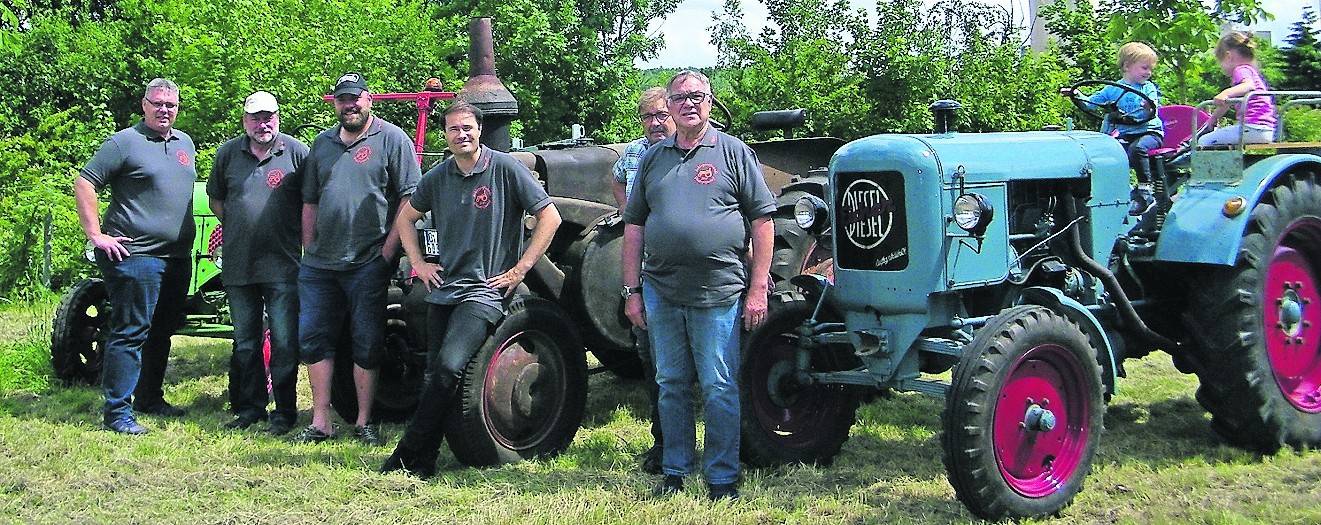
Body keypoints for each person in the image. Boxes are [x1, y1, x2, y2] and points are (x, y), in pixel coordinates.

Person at [380, 101, 562, 477]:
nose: (461, 135)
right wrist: (418, 263)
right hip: (445, 288)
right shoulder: (437, 176)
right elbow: (406, 219)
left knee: (448, 367)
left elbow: (551, 216)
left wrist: (521, 268)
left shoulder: (506, 168)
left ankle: (406, 451)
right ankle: (425, 461)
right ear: (445, 136)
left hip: (484, 290)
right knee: (434, 373)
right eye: (453, 129)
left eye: (467, 128)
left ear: (479, 130)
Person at [621, 70, 776, 500]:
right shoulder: (653, 158)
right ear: (668, 106)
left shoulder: (734, 152)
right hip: (662, 291)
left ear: (710, 103)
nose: (689, 104)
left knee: (718, 385)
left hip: (719, 292)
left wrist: (758, 288)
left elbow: (763, 223)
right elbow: (634, 226)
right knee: (670, 382)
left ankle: (723, 475)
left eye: (698, 97)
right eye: (680, 97)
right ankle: (675, 470)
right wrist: (631, 290)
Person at [295, 72, 421, 445]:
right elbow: (309, 200)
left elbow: (409, 198)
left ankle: (364, 421)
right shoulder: (322, 144)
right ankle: (321, 421)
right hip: (320, 264)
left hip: (367, 261)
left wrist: (387, 251)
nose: (349, 105)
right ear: (335, 102)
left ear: (369, 99)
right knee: (315, 339)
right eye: (342, 99)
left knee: (367, 340)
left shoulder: (392, 139)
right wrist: (308, 248)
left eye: (356, 98)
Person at [74, 78, 195, 435]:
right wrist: (96, 235)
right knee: (131, 332)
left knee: (161, 331)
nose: (164, 110)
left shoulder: (185, 143)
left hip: (176, 257)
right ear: (144, 105)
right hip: (136, 255)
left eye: (170, 105)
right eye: (157, 103)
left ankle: (150, 398)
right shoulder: (124, 142)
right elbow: (85, 182)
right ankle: (117, 412)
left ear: (178, 108)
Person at [207, 91, 309, 435]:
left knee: (283, 341)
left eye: (268, 117)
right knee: (246, 342)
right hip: (239, 266)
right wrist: (241, 227)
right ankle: (250, 408)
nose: (262, 123)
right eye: (255, 117)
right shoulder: (227, 154)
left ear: (278, 117)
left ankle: (284, 412)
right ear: (244, 120)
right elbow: (217, 201)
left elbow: (311, 202)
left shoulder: (295, 152)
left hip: (283, 265)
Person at [609, 86, 676, 475]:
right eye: (647, 117)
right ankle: (663, 443)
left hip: (691, 274)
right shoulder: (634, 153)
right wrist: (626, 210)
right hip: (649, 274)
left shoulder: (695, 152)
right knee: (654, 363)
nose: (654, 123)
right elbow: (617, 177)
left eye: (660, 115)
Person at [1084, 42, 1164, 216]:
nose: (1148, 73)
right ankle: (1115, 191)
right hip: (1127, 133)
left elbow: (1153, 107)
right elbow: (1091, 103)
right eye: (1144, 67)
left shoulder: (1147, 88)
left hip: (1149, 132)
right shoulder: (1113, 89)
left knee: (1138, 149)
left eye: (1150, 69)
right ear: (1127, 66)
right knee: (1107, 152)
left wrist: (1148, 107)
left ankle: (1145, 191)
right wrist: (1077, 96)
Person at [1198, 31, 1277, 147]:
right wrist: (1213, 118)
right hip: (1264, 130)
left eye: (1221, 62)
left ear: (1228, 56)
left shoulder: (1241, 70)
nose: (1221, 68)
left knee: (1203, 141)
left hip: (1252, 128)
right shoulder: (1251, 71)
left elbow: (1248, 85)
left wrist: (1225, 93)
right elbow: (1226, 104)